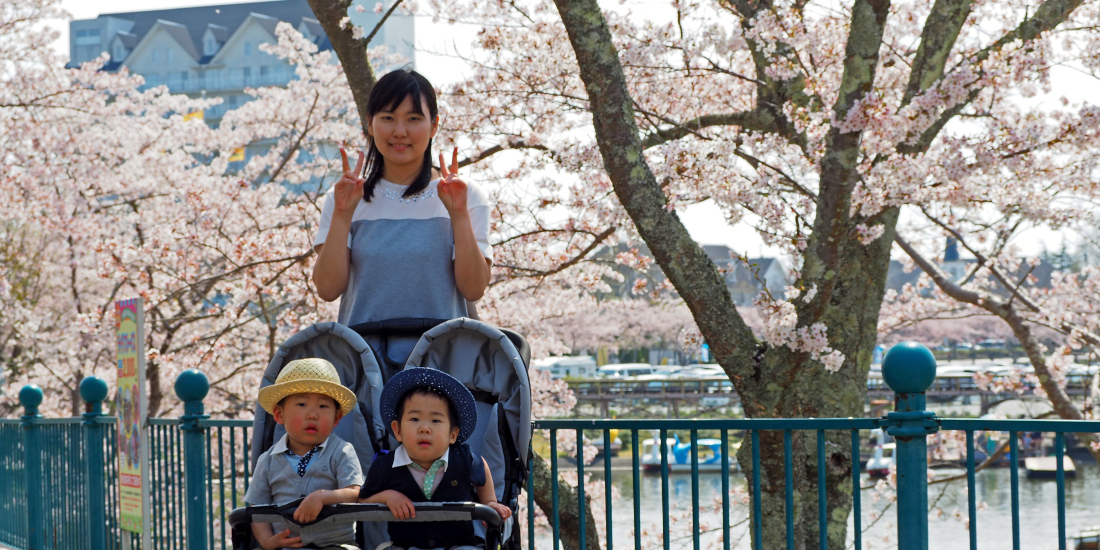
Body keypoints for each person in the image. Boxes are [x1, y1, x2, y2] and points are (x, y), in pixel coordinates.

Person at [312, 68, 493, 328]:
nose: (399, 131)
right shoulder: (345, 197)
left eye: (413, 118)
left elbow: (474, 289)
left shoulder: (465, 195)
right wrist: (342, 213)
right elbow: (328, 290)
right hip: (366, 361)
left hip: (441, 359)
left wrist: (459, 214)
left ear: (434, 126)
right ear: (370, 124)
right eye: (388, 117)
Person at [360, 368, 512, 550]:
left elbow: (481, 467)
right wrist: (387, 496)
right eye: (415, 419)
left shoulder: (464, 458)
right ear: (398, 430)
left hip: (459, 543)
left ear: (453, 434)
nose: (425, 428)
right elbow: (362, 500)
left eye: (436, 421)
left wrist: (489, 501)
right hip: (407, 545)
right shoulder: (385, 465)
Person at [245, 358, 365, 550]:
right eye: (301, 404)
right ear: (279, 415)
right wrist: (267, 541)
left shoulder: (342, 451)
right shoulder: (268, 461)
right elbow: (256, 507)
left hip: (337, 544)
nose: (312, 414)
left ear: (337, 417)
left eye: (323, 406)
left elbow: (355, 493)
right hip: (288, 545)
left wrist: (322, 497)